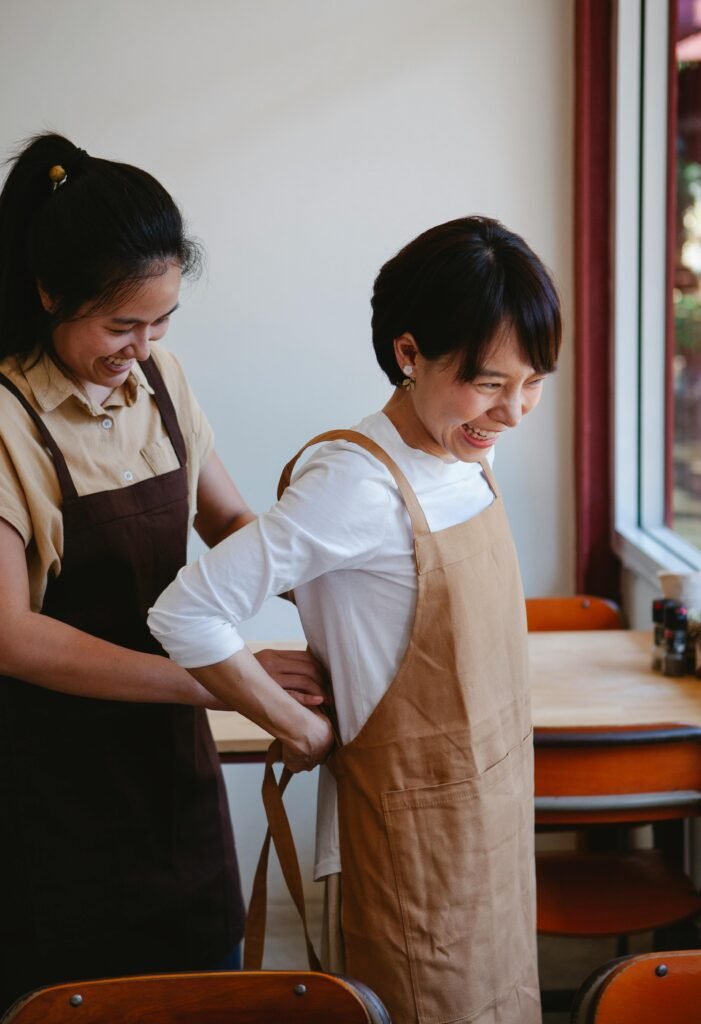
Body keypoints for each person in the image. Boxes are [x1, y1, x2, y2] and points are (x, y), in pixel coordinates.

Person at [148, 216, 562, 1023]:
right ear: (408, 355)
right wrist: (292, 727)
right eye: (488, 384)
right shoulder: (354, 484)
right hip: (413, 847)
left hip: (495, 823)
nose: (514, 412)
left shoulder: (467, 451)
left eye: (532, 382)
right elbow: (188, 612)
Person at [0, 132, 331, 1013]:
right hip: (46, 789)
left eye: (160, 323)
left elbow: (228, 522)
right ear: (46, 294)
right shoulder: (7, 422)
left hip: (173, 779)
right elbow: (12, 635)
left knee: (203, 987)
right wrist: (219, 679)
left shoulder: (162, 381)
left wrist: (338, 587)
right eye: (120, 325)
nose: (142, 347)